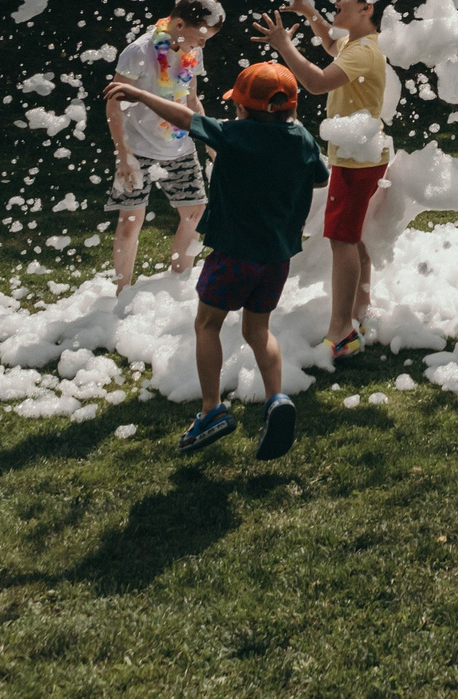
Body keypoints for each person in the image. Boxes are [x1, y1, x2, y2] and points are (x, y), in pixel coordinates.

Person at [106, 60, 324, 459]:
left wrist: (138, 93)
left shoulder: (235, 134)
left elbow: (186, 118)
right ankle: (276, 398)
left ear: (242, 107)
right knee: (258, 331)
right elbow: (321, 176)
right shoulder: (302, 139)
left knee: (207, 323)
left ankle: (211, 410)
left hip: (233, 254)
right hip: (276, 258)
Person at [248, 0, 401, 365]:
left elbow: (316, 83)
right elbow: (333, 44)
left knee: (342, 239)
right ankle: (360, 310)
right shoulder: (360, 43)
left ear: (367, 7)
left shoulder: (365, 51)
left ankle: (341, 332)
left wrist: (284, 45)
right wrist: (310, 11)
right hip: (361, 157)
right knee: (352, 236)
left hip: (355, 162)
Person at [105, 0, 222, 291]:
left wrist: (211, 144)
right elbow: (113, 103)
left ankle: (178, 284)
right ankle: (122, 292)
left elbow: (192, 100)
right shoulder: (138, 52)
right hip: (138, 147)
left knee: (195, 213)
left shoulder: (192, 51)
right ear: (179, 25)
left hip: (179, 146)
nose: (202, 44)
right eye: (201, 37)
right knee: (130, 222)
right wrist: (124, 154)